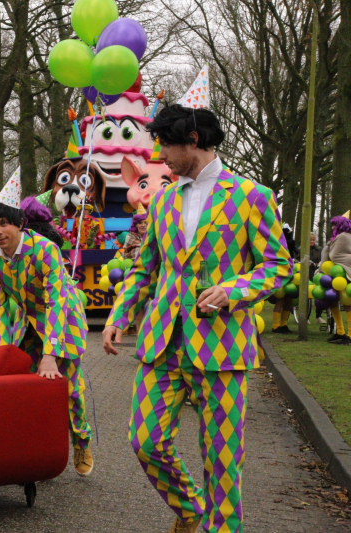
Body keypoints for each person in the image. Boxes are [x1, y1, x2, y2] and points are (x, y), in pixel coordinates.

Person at [102, 104, 292, 533]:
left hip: (222, 348)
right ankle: (192, 510)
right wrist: (120, 313)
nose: (160, 154)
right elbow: (145, 266)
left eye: (166, 144)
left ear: (193, 140)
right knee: (145, 442)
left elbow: (278, 265)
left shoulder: (252, 196)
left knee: (223, 459)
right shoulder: (164, 197)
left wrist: (235, 290)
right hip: (163, 344)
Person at [0, 174, 94, 477]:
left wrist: (50, 353)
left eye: (4, 223)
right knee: (24, 386)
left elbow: (57, 301)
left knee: (68, 390)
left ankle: (81, 439)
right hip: (27, 322)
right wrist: (4, 347)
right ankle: (34, 449)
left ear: (19, 223)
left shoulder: (45, 250)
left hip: (63, 321)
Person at [321, 215, 351, 345]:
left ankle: (348, 334)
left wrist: (328, 246)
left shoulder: (343, 236)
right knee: (332, 300)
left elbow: (335, 256)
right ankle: (340, 332)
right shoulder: (341, 237)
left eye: (334, 224)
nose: (332, 227)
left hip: (342, 272)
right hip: (336, 272)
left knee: (346, 302)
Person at [272, 223, 299, 333]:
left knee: (285, 299)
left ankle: (280, 325)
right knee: (283, 298)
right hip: (286, 270)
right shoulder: (289, 242)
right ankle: (278, 325)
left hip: (285, 270)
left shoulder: (276, 241)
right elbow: (296, 252)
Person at [309, 232, 326, 323]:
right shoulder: (301, 249)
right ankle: (305, 317)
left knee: (319, 295)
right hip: (306, 275)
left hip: (316, 274)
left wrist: (315, 264)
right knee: (306, 297)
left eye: (313, 240)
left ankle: (318, 316)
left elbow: (322, 260)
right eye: (310, 240)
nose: (312, 241)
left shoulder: (319, 249)